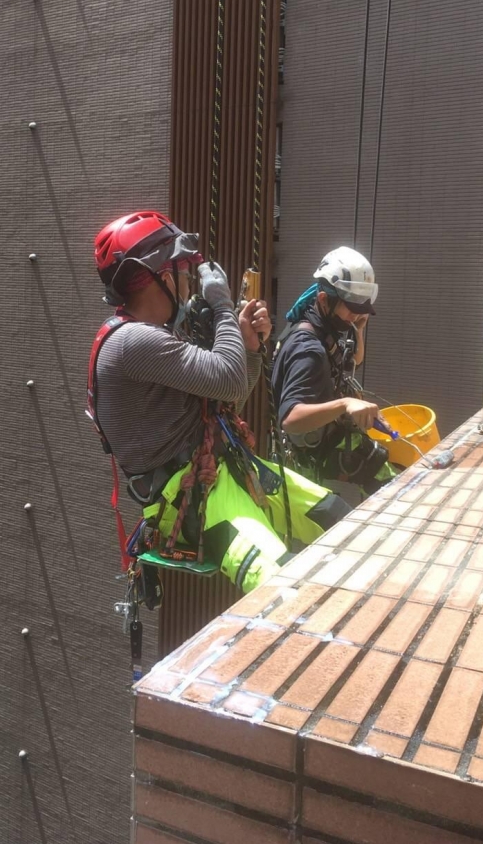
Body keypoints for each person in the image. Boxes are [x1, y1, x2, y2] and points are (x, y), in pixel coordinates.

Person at [87, 211, 352, 594]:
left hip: (224, 469)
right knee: (283, 588)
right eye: (181, 273)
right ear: (161, 276)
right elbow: (227, 380)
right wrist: (223, 307)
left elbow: (232, 394)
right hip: (194, 498)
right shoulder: (133, 343)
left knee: (339, 518)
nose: (186, 286)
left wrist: (250, 347)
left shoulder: (155, 337)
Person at [272, 246, 397, 504]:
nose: (357, 315)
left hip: (322, 443)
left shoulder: (322, 328)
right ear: (323, 300)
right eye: (351, 309)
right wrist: (346, 404)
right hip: (309, 455)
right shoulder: (309, 349)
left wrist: (358, 329)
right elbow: (290, 418)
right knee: (386, 486)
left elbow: (353, 361)